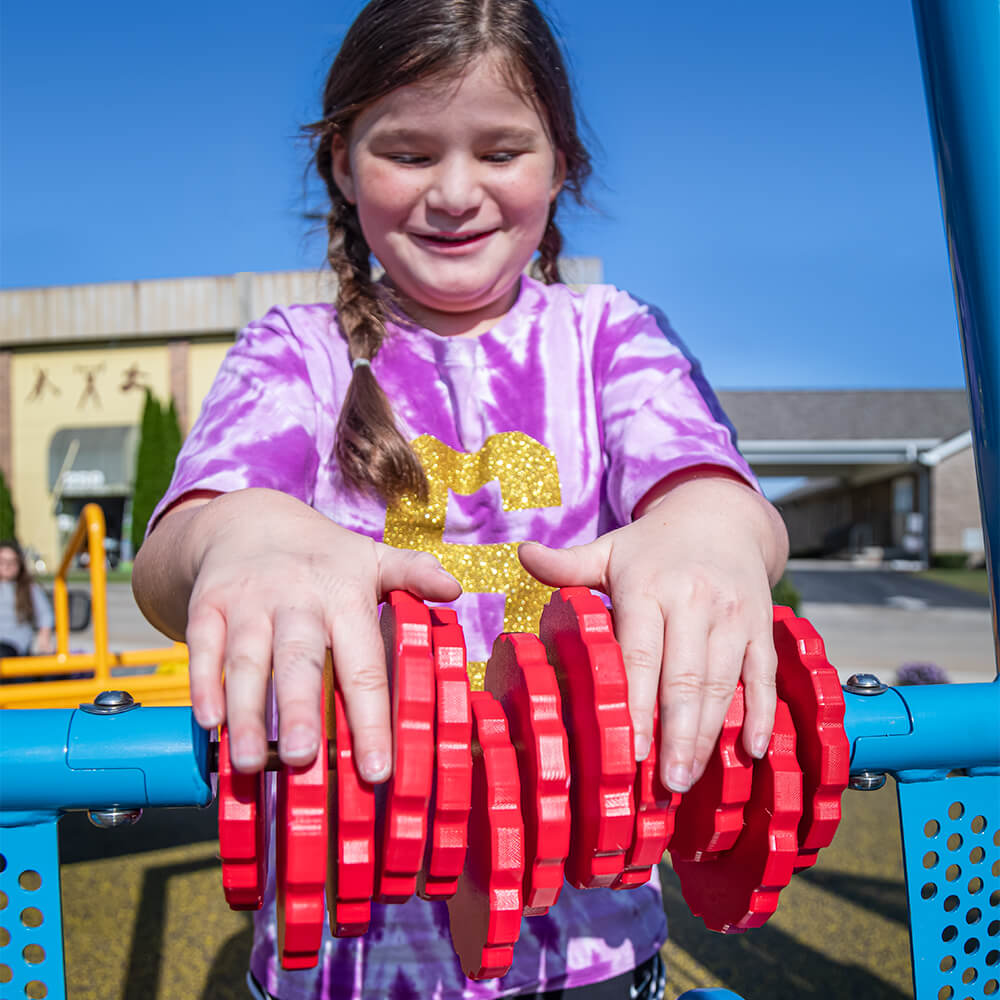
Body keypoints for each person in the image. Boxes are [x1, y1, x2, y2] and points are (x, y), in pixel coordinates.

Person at [132, 1, 789, 997]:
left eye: (499, 150)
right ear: (342, 166)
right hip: (345, 948)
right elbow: (176, 547)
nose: (452, 192)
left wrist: (707, 530)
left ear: (560, 162)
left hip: (589, 940)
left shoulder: (609, 336)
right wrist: (241, 534)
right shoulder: (294, 353)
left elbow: (701, 476)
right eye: (405, 150)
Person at [0, 539, 55, 658]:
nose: (7, 565)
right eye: (2, 561)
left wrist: (44, 639)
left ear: (19, 564)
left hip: (13, 644)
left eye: (12, 561)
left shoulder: (29, 588)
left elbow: (45, 614)